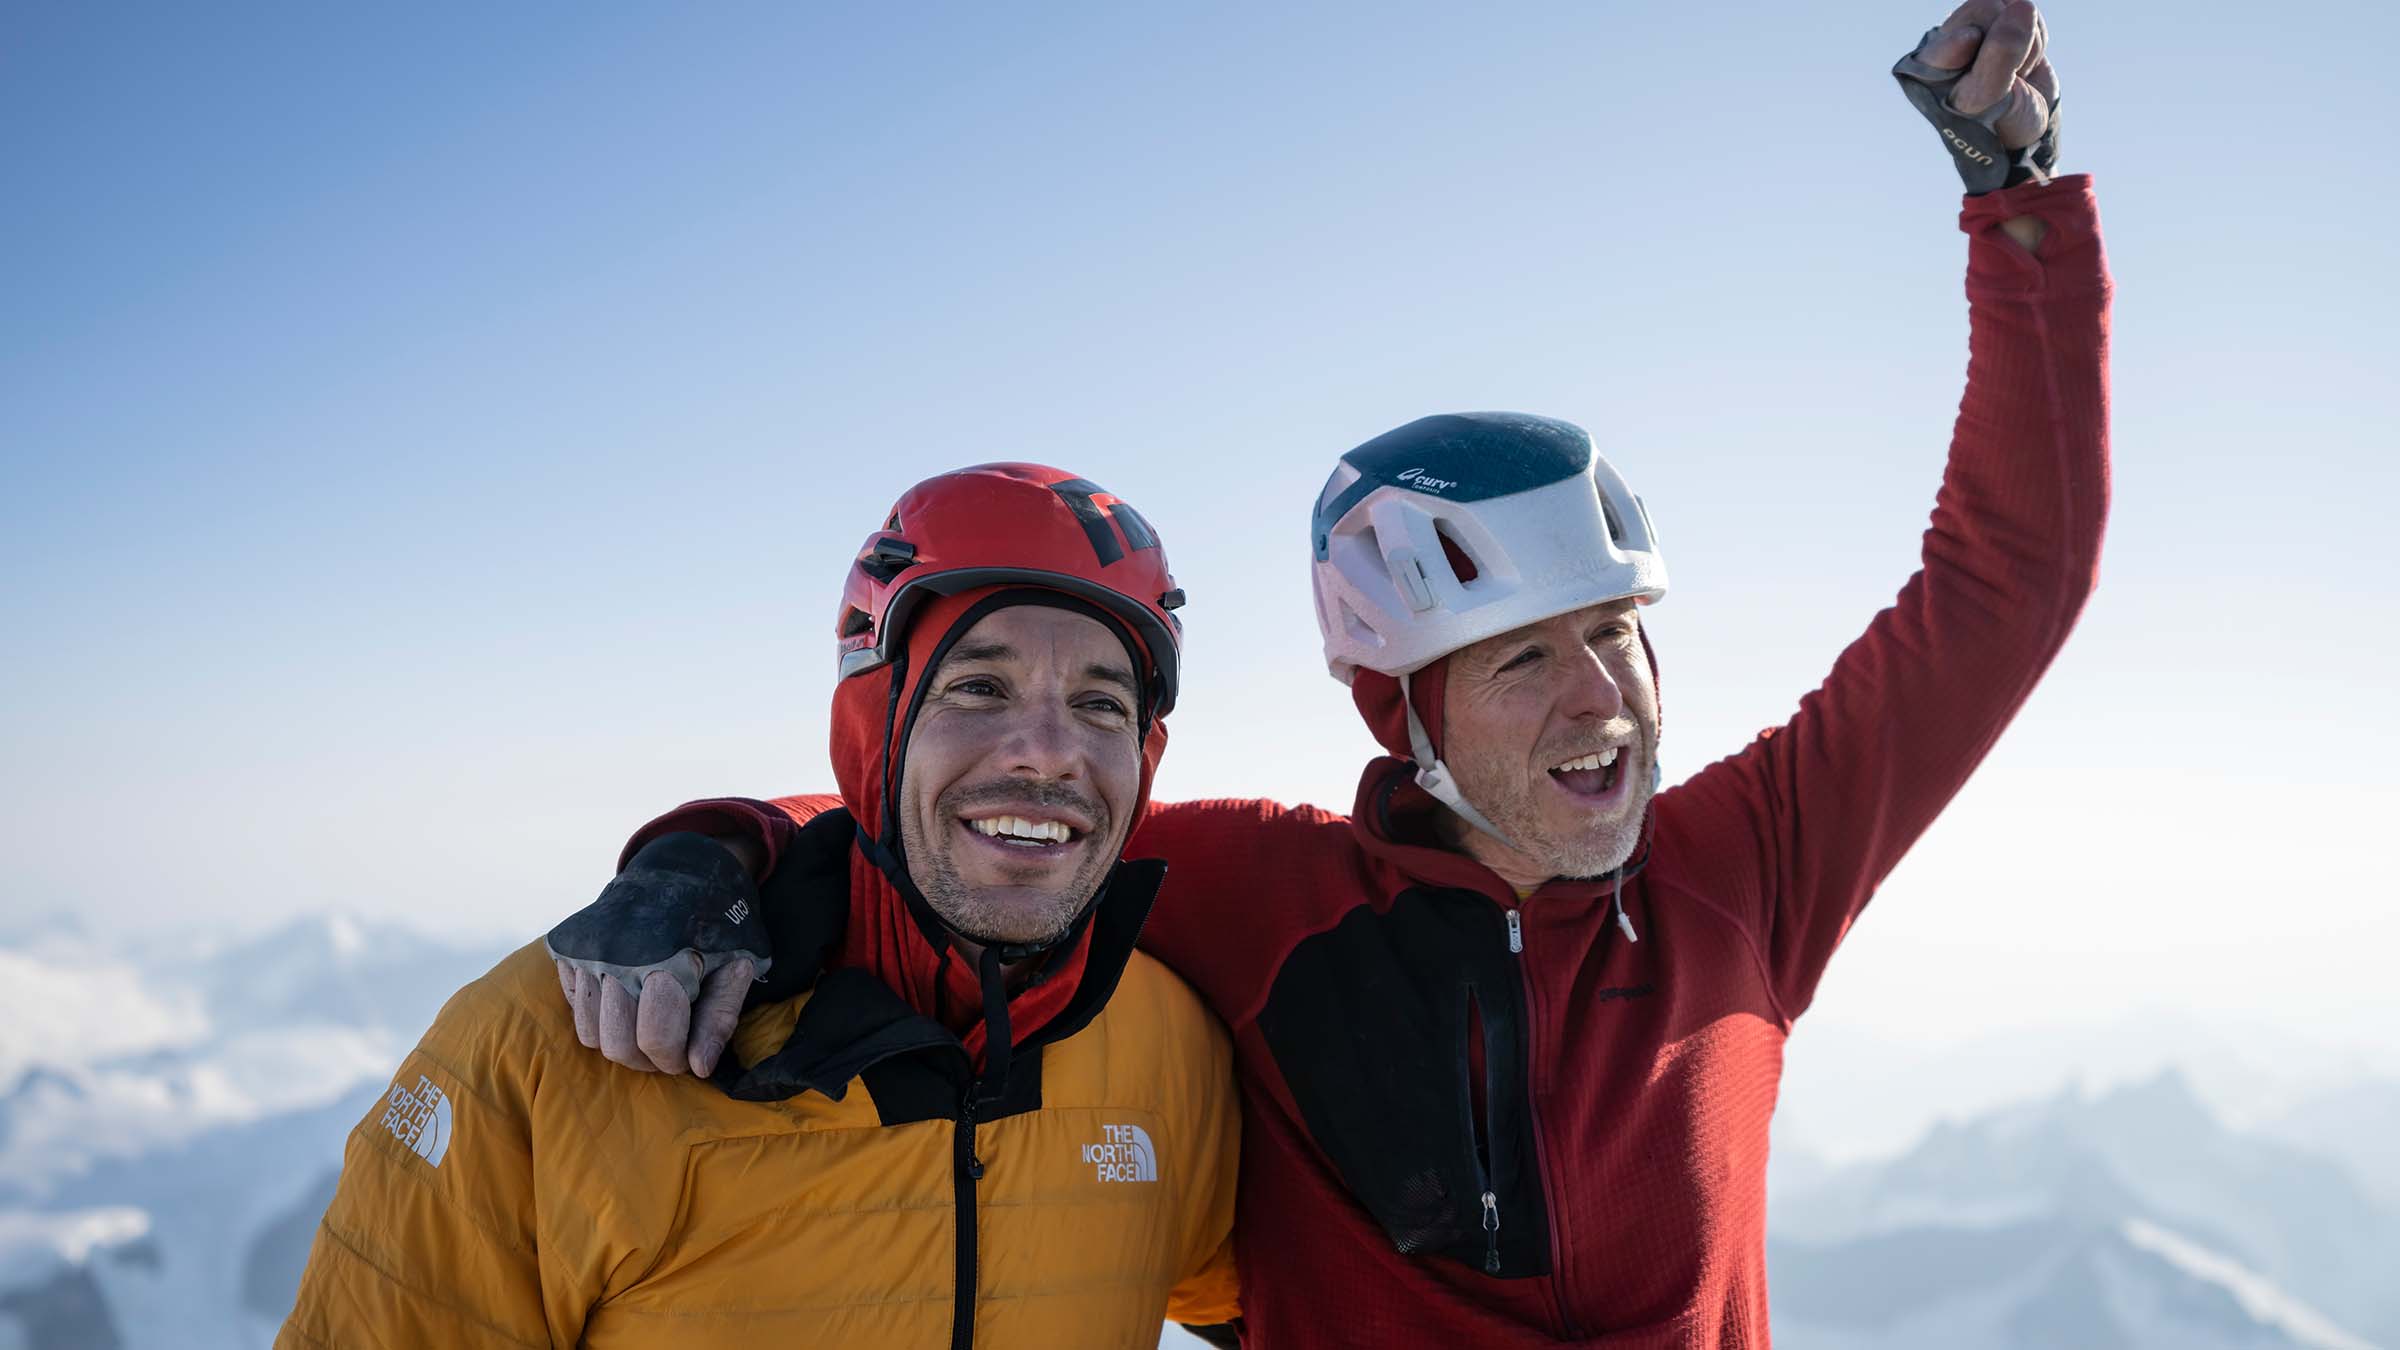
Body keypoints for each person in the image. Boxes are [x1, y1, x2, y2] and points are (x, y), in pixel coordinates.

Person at [547, 2, 2110, 1344]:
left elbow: (2006, 586)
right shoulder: (1260, 894)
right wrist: (712, 852)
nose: (1602, 698)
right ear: (1401, 710)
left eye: (1617, 636)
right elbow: (954, 822)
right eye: (1520, 659)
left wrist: (2016, 198)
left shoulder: (1747, 872)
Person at [280, 464, 1243, 1349]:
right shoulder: (548, 1048)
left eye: (1103, 705)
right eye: (980, 686)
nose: (1047, 751)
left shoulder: (1168, 1052)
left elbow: (1249, 1297)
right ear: (876, 729)